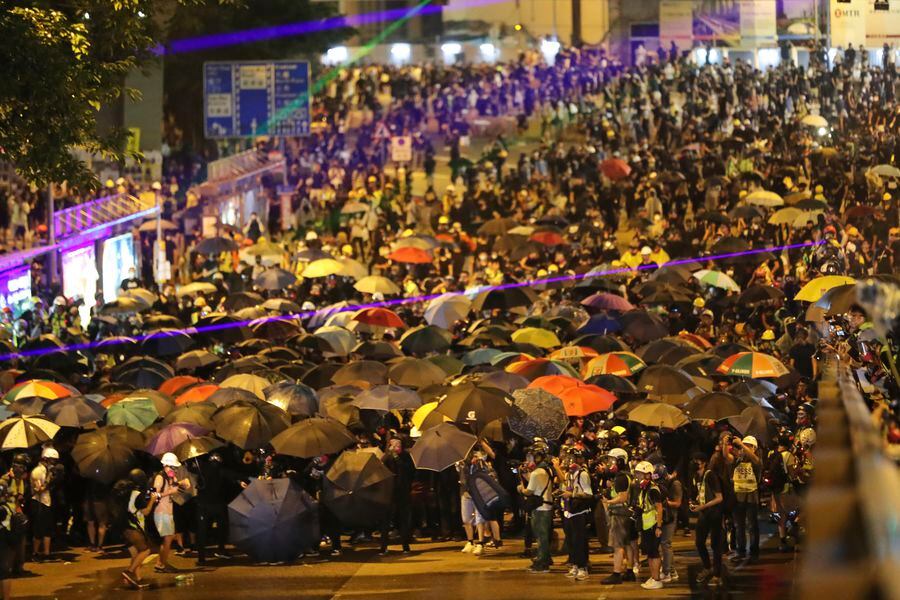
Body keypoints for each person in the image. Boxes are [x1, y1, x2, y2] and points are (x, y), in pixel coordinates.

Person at [553, 448, 592, 582]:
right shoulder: (569, 474)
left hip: (579, 511)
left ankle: (583, 567)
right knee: (571, 541)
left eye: (573, 458)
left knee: (579, 541)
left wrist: (573, 495)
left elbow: (588, 494)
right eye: (568, 458)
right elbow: (565, 487)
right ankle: (574, 565)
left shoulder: (583, 474)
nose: (569, 461)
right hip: (568, 511)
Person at [118, 469, 158, 589]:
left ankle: (136, 579)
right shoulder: (138, 494)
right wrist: (152, 500)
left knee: (136, 556)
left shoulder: (126, 492)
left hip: (123, 527)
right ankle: (129, 572)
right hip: (132, 527)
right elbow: (145, 512)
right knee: (145, 550)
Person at [518, 440, 553, 573]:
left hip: (540, 508)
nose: (530, 458)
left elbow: (529, 491)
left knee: (541, 536)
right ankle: (546, 558)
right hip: (547, 505)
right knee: (543, 535)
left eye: (532, 456)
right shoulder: (546, 469)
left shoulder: (537, 472)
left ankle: (542, 562)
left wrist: (521, 488)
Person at [600, 448, 635, 584]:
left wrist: (608, 501)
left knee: (618, 545)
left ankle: (616, 573)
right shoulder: (627, 475)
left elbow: (622, 497)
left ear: (620, 461)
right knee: (627, 544)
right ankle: (630, 571)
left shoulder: (621, 477)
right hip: (627, 513)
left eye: (612, 460)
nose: (610, 463)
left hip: (619, 513)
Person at [691, 451, 724, 587]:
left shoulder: (710, 475)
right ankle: (707, 567)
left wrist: (702, 506)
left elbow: (719, 498)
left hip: (715, 514)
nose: (695, 463)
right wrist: (694, 504)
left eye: (697, 461)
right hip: (704, 514)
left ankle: (717, 575)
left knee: (716, 545)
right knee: (699, 542)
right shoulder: (695, 477)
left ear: (704, 463)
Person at [153, 452, 191, 572]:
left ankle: (161, 563)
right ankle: (161, 564)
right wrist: (169, 491)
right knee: (168, 539)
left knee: (167, 539)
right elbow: (154, 496)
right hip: (161, 512)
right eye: (172, 467)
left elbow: (181, 486)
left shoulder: (170, 476)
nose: (174, 470)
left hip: (168, 512)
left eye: (175, 468)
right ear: (165, 465)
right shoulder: (159, 477)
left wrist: (181, 483)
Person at [729, 436, 761, 562]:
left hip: (751, 496)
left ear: (754, 448)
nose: (745, 448)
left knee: (752, 526)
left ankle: (754, 553)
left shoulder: (756, 460)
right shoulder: (738, 459)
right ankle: (741, 552)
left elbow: (756, 461)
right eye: (744, 445)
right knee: (739, 526)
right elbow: (727, 458)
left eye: (749, 446)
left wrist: (741, 445)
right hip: (738, 497)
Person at [635, 461, 664, 590]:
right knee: (650, 553)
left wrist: (658, 526)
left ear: (648, 474)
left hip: (653, 524)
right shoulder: (644, 489)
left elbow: (659, 508)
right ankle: (653, 577)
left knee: (654, 553)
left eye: (641, 474)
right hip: (647, 524)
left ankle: (657, 579)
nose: (638, 476)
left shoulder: (652, 489)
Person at [30, 447, 58, 562]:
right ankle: (35, 553)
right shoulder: (37, 471)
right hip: (39, 502)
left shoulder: (48, 471)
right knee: (38, 529)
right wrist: (48, 480)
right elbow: (38, 489)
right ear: (45, 459)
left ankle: (46, 553)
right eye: (52, 460)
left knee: (48, 528)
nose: (54, 463)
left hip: (47, 501)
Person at [657, 464, 682, 583]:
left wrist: (665, 502)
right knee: (664, 544)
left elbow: (677, 503)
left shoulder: (675, 484)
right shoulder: (664, 483)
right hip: (664, 516)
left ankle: (667, 572)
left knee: (666, 543)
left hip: (671, 516)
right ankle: (672, 571)